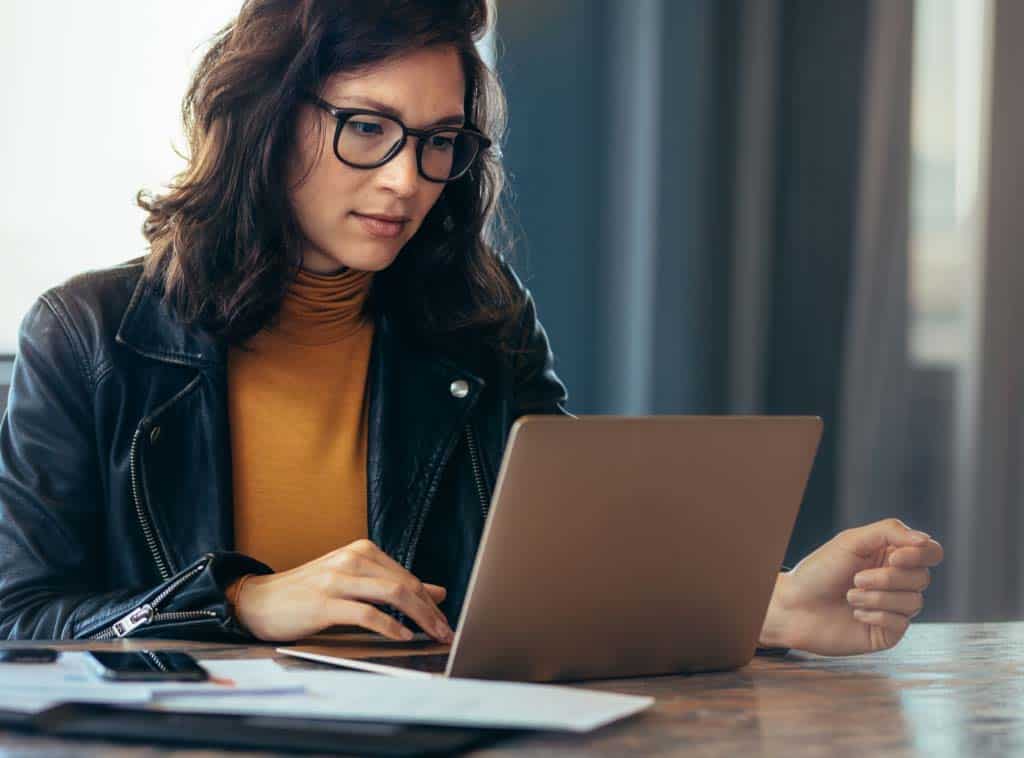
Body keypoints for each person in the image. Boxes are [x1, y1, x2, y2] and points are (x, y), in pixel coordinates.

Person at [0, 0, 942, 656]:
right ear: (266, 119)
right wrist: (240, 603)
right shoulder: (88, 335)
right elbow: (19, 619)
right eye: (367, 128)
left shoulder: (478, 322)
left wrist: (770, 607)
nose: (408, 179)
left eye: (439, 140)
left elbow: (564, 572)